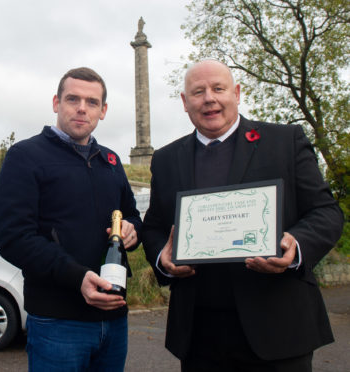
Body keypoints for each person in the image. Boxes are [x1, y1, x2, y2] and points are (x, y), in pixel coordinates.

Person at [142, 60, 344, 371]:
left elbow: (325, 211)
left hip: (278, 329)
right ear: (185, 102)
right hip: (199, 334)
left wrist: (295, 246)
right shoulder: (167, 159)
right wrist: (163, 259)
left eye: (218, 88)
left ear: (236, 93)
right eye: (198, 92)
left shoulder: (284, 141)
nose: (209, 98)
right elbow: (154, 226)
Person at [0, 67, 142, 371]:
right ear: (56, 102)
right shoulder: (25, 156)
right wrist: (77, 278)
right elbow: (12, 238)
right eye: (73, 98)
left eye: (92, 102)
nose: (82, 108)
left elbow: (133, 216)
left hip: (114, 320)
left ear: (103, 110)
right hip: (58, 322)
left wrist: (132, 231)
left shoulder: (111, 162)